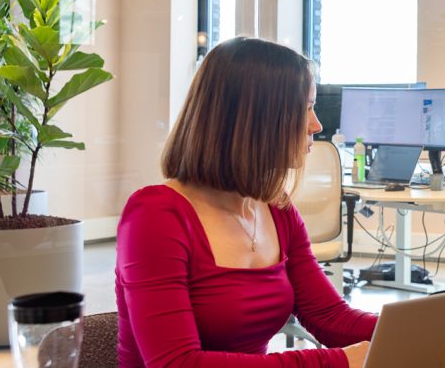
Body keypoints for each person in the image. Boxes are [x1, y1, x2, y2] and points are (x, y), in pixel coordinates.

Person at [116, 37, 376, 367]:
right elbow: (177, 363)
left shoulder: (275, 207)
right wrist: (336, 362)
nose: (316, 125)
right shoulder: (155, 216)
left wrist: (417, 328)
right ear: (257, 119)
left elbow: (328, 316)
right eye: (306, 108)